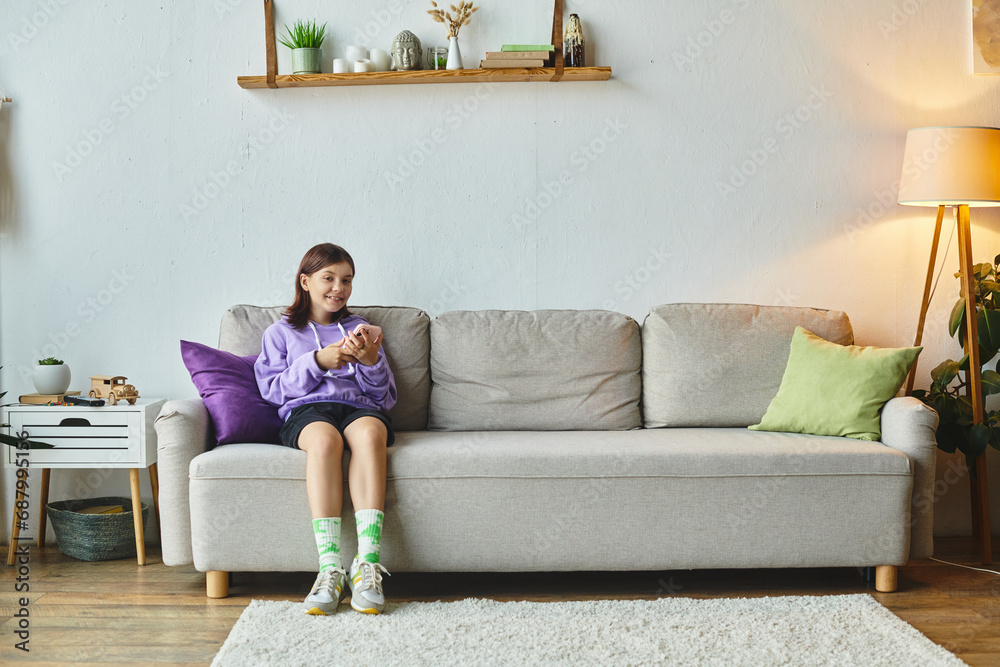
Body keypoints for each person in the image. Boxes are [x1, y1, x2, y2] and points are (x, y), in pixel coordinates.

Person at [254, 243, 397, 616]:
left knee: (370, 434)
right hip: (307, 411)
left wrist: (370, 362)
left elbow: (384, 398)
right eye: (328, 278)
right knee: (324, 440)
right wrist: (317, 361)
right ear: (305, 281)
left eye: (346, 280)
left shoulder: (361, 328)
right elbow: (272, 390)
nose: (339, 288)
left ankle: (366, 564)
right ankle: (330, 566)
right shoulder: (280, 333)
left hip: (359, 407)